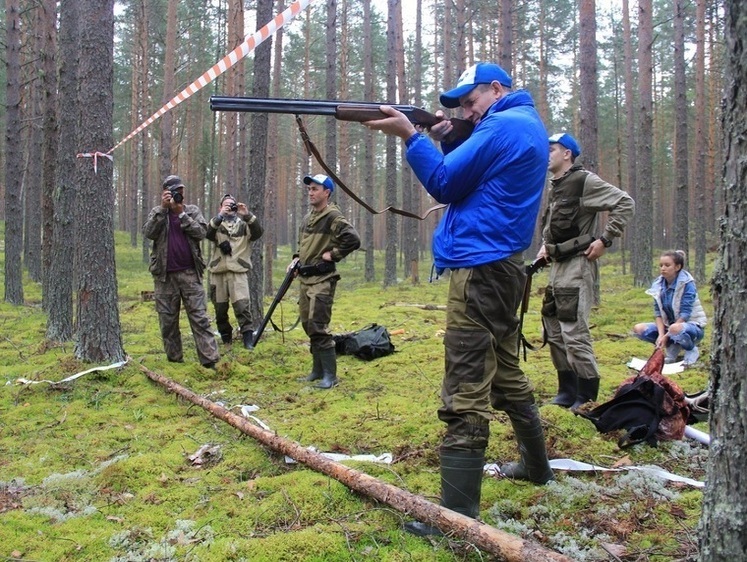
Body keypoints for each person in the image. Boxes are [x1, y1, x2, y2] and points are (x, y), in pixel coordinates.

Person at [363, 62, 554, 535]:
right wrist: (447, 136)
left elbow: (446, 183)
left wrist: (412, 137)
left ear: (496, 89)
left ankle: (457, 518)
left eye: (470, 102)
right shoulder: (520, 125)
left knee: (466, 382)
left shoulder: (503, 125)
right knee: (505, 372)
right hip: (502, 265)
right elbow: (476, 177)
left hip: (481, 269)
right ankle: (536, 468)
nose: (467, 110)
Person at [537, 133, 634, 409]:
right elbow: (556, 225)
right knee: (553, 329)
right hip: (556, 266)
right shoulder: (556, 185)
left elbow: (625, 203)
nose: (548, 154)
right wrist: (546, 247)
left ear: (567, 153)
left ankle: (586, 396)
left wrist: (605, 239)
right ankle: (566, 391)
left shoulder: (583, 181)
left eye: (552, 149)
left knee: (573, 331)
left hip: (577, 265)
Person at [288, 173, 360, 390]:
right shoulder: (307, 217)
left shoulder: (333, 216)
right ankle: (317, 371)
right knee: (308, 325)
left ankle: (330, 376)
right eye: (309, 189)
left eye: (315, 189)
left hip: (323, 279)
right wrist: (295, 260)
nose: (310, 192)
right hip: (306, 278)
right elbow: (303, 246)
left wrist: (335, 254)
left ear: (326, 192)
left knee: (319, 326)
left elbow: (353, 239)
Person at [143, 175, 220, 369]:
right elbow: (148, 232)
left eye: (181, 192)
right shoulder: (158, 212)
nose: (179, 195)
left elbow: (201, 233)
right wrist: (163, 209)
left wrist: (181, 215)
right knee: (167, 321)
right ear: (165, 193)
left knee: (200, 317)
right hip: (164, 276)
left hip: (189, 274)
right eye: (175, 191)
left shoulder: (191, 211)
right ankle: (174, 360)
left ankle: (210, 359)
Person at [206, 194, 264, 349]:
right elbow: (208, 233)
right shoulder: (217, 223)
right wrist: (220, 216)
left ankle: (248, 341)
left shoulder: (244, 225)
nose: (230, 208)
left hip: (238, 272)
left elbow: (258, 232)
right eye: (226, 205)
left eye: (232, 205)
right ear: (220, 207)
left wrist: (247, 215)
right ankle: (226, 340)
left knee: (242, 307)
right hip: (218, 272)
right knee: (220, 309)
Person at [632, 250, 706, 366]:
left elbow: (685, 314)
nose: (663, 268)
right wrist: (661, 335)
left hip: (691, 327)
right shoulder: (658, 284)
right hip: (669, 327)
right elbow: (658, 313)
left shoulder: (687, 284)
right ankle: (672, 347)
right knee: (639, 329)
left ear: (677, 267)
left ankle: (691, 349)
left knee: (675, 329)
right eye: (661, 265)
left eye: (667, 265)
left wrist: (667, 335)